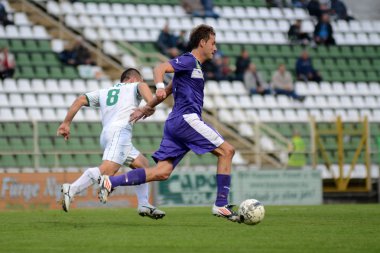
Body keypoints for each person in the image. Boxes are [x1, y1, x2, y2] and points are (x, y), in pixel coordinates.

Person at [98, 24, 240, 223]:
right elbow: (160, 68)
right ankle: (221, 205)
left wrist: (147, 106)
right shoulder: (189, 60)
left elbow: (170, 89)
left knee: (162, 172)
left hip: (175, 124)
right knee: (227, 151)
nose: (215, 48)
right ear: (202, 42)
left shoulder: (195, 67)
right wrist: (158, 86)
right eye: (213, 43)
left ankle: (110, 182)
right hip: (186, 120)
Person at [57, 68, 165, 219]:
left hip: (108, 134)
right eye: (139, 80)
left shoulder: (105, 91)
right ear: (132, 79)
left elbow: (80, 99)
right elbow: (142, 87)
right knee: (107, 170)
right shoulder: (134, 85)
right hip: (120, 132)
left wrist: (66, 123)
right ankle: (72, 189)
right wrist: (149, 104)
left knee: (143, 165)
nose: (141, 83)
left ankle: (144, 203)